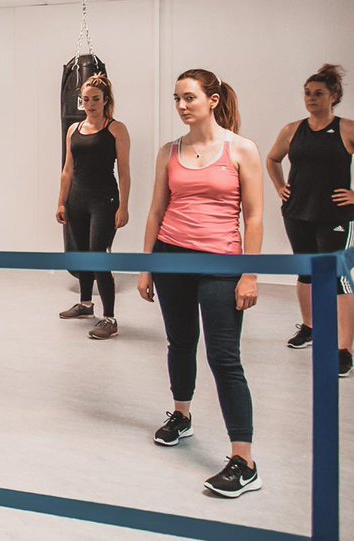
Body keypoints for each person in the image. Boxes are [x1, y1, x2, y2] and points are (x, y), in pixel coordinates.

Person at [137, 69, 264, 498]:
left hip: (221, 263)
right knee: (179, 342)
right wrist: (147, 265)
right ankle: (181, 414)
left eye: (189, 97)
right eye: (176, 98)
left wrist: (249, 273)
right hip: (172, 257)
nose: (181, 105)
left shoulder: (241, 149)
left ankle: (244, 462)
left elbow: (255, 216)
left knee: (225, 358)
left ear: (212, 100)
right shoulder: (168, 151)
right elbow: (156, 210)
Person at [266, 63, 354, 376]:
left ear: (334, 97)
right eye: (307, 93)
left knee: (338, 279)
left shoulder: (347, 129)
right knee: (305, 272)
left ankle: (344, 349)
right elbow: (273, 159)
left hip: (334, 215)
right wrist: (279, 185)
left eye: (318, 93)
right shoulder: (293, 130)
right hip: (297, 212)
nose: (311, 98)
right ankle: (310, 326)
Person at [56, 74, 132, 339]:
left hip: (104, 200)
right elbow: (67, 170)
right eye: (86, 99)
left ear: (105, 100)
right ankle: (86, 304)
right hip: (77, 199)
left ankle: (109, 318)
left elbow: (124, 172)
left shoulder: (116, 129)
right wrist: (61, 201)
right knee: (82, 255)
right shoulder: (73, 130)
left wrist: (123, 206)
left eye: (95, 99)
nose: (90, 104)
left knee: (99, 255)